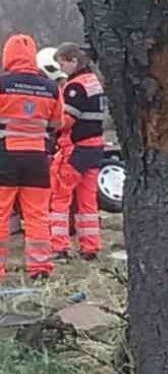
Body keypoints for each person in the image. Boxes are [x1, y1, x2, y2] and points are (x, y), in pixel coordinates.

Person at [0, 33, 63, 280]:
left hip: (6, 155)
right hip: (38, 157)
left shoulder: (2, 84)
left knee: (1, 214)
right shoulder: (51, 87)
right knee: (37, 215)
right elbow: (58, 123)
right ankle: (40, 269)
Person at [49, 42, 105, 261]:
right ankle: (90, 247)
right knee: (87, 201)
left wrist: (48, 124)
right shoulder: (94, 82)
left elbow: (65, 121)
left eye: (62, 63)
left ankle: (59, 248)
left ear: (72, 60)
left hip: (76, 148)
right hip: (95, 148)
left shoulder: (75, 87)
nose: (61, 69)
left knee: (60, 197)